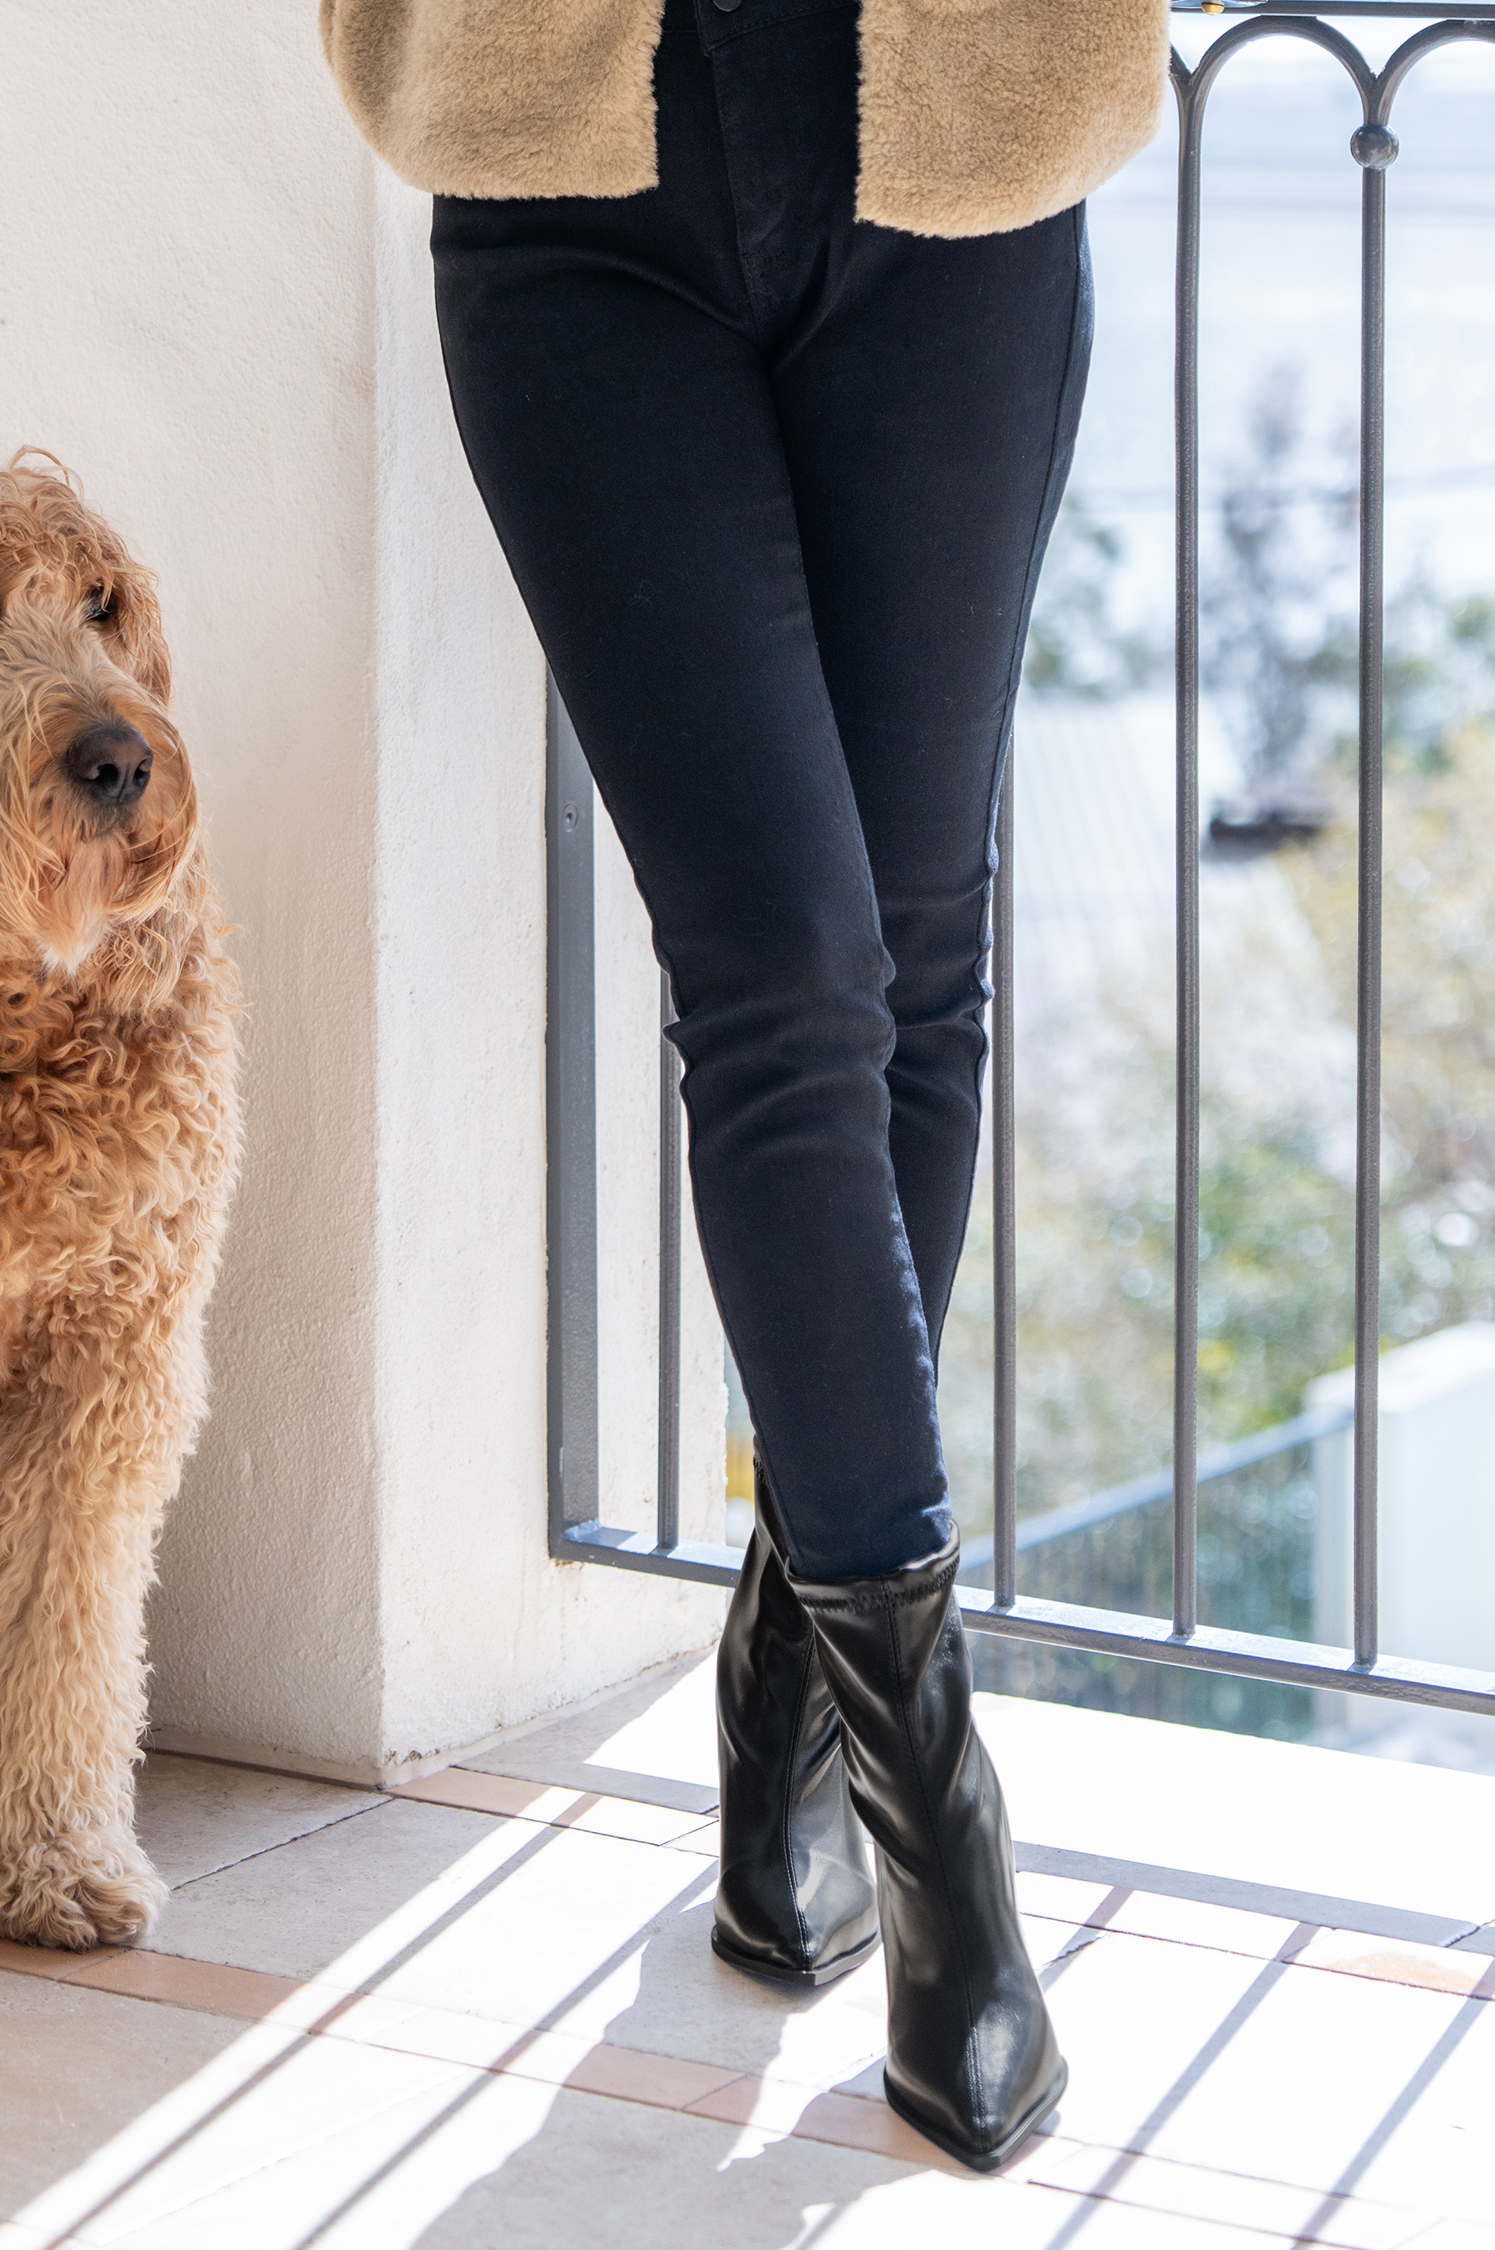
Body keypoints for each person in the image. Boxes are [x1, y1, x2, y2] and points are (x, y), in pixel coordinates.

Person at [320, 0, 1169, 2174]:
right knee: (784, 967)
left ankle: (791, 1697)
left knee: (920, 955)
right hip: (564, 148)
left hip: (964, 123)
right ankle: (945, 1840)